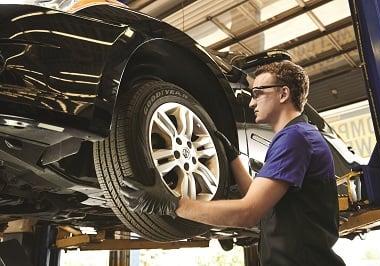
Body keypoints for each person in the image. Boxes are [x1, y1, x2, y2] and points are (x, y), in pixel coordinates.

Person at [121, 60, 345, 266]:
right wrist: (233, 157)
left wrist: (174, 204)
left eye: (257, 93)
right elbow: (257, 200)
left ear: (283, 93)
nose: (250, 102)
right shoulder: (297, 136)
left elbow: (248, 213)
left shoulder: (296, 139)